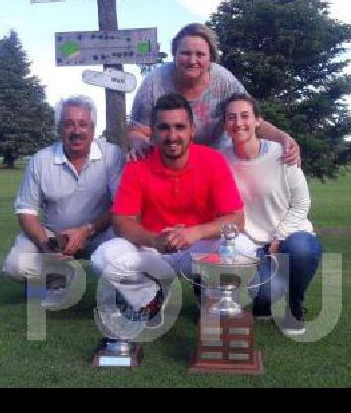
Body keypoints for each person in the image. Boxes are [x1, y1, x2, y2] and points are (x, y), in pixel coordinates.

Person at [91, 93, 256, 327]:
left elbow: (236, 220)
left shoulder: (213, 160)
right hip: (155, 251)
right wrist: (153, 239)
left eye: (180, 127)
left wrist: (195, 233)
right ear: (153, 131)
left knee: (243, 248)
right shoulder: (138, 164)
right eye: (164, 128)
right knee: (104, 255)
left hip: (197, 251)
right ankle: (152, 297)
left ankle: (212, 299)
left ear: (192, 130)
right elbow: (121, 221)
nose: (172, 136)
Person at [220, 93, 323, 336]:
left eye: (245, 116)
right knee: (262, 292)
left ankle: (294, 306)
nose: (239, 123)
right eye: (231, 118)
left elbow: (301, 203)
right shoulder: (220, 159)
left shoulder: (282, 154)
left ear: (258, 121)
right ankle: (263, 303)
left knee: (303, 249)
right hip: (250, 242)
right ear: (225, 125)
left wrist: (279, 237)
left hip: (290, 235)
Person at [127, 22, 301, 164]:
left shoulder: (224, 81)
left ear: (210, 58)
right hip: (171, 157)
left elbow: (251, 118)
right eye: (186, 53)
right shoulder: (154, 82)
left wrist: (282, 138)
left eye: (200, 54)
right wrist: (138, 144)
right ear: (174, 54)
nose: (192, 60)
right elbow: (137, 130)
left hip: (218, 158)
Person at [2, 95, 124, 293]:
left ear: (93, 129)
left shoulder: (112, 155)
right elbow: (26, 212)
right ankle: (60, 277)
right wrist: (46, 247)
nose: (76, 131)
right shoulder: (41, 160)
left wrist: (86, 231)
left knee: (125, 248)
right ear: (59, 129)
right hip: (54, 237)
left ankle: (126, 293)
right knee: (16, 267)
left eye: (83, 124)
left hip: (99, 233)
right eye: (69, 124)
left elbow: (121, 206)